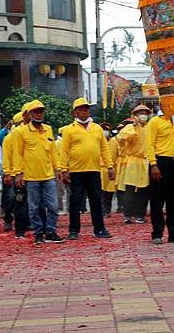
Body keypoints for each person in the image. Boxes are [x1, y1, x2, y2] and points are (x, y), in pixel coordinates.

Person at [60, 98, 114, 240]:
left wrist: (110, 166)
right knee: (75, 201)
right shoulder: (69, 130)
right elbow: (63, 151)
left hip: (94, 170)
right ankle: (73, 230)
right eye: (81, 109)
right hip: (76, 171)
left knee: (96, 200)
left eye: (86, 109)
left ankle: (100, 229)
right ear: (74, 112)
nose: (84, 112)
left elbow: (104, 148)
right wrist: (63, 169)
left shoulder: (97, 128)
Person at [12, 100, 64, 244]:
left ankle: (51, 232)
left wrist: (58, 168)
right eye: (35, 111)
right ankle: (39, 233)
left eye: (41, 111)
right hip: (31, 176)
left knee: (53, 206)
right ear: (29, 114)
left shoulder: (48, 129)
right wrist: (18, 173)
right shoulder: (20, 132)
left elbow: (53, 151)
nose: (39, 114)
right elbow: (17, 154)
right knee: (34, 208)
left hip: (48, 175)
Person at [146, 106, 174, 245]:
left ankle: (173, 232)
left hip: (173, 162)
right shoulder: (155, 122)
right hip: (160, 161)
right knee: (157, 200)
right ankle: (157, 233)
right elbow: (149, 145)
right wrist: (153, 164)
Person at [117, 106, 150, 225]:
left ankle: (140, 214)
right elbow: (120, 138)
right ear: (135, 115)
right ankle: (127, 214)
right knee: (129, 189)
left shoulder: (149, 127)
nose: (143, 115)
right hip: (132, 161)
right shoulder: (130, 127)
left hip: (144, 161)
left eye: (145, 113)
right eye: (140, 113)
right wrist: (134, 129)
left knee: (143, 190)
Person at [99, 122, 119, 217]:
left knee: (109, 192)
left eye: (106, 129)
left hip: (111, 169)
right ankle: (101, 210)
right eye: (103, 129)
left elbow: (118, 155)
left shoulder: (114, 142)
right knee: (100, 192)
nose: (105, 131)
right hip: (99, 169)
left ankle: (107, 210)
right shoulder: (97, 141)